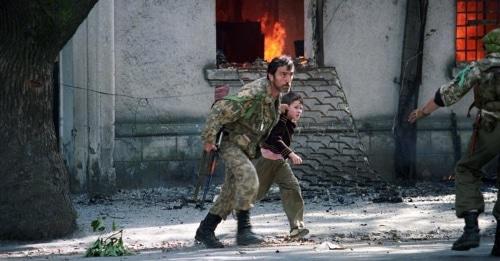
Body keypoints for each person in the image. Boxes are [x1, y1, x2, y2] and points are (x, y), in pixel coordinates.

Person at [408, 28, 500, 255]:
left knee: (467, 169)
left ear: (488, 46)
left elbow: (447, 94)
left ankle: (471, 227)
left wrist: (422, 112)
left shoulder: (479, 67)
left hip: (491, 127)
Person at [194, 55, 295, 248]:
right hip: (231, 143)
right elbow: (219, 110)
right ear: (270, 76)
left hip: (246, 147)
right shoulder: (254, 93)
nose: (287, 79)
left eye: (290, 75)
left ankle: (205, 230)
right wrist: (208, 140)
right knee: (249, 177)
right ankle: (244, 230)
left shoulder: (275, 96)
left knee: (230, 193)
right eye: (283, 74)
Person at [254, 91, 309, 238]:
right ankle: (231, 201)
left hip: (280, 162)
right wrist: (290, 154)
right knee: (256, 193)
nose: (299, 111)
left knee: (292, 187)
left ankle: (296, 227)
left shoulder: (288, 121)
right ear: (286, 107)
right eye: (296, 107)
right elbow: (275, 139)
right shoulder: (280, 119)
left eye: (301, 108)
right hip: (267, 161)